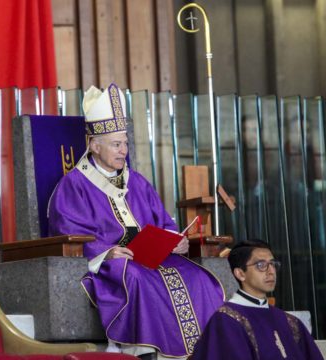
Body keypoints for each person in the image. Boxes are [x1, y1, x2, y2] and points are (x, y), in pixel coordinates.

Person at [48, 83, 225, 359]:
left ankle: (207, 351)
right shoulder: (74, 185)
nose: (123, 151)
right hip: (113, 261)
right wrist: (108, 252)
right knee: (136, 277)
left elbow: (163, 221)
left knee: (198, 277)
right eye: (116, 144)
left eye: (126, 143)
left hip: (152, 257)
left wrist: (173, 240)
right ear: (94, 145)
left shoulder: (138, 182)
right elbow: (68, 231)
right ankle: (146, 351)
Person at [191, 239, 324, 360]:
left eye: (272, 264)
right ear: (240, 273)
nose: (271, 271)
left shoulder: (290, 322)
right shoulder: (226, 321)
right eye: (261, 265)